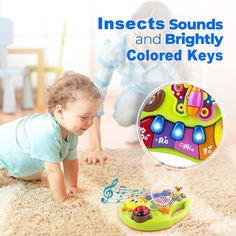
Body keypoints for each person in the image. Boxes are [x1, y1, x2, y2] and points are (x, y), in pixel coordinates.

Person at [87, 1, 189, 164]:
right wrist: (95, 149)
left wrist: (172, 147)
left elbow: (183, 95)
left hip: (164, 94)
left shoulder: (173, 46)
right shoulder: (114, 46)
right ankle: (139, 123)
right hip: (135, 90)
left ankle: (152, 127)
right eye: (140, 36)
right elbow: (95, 95)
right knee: (125, 113)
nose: (145, 46)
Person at [0, 71, 101, 208]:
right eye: (84, 117)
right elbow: (53, 171)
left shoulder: (71, 130)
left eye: (93, 117)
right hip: (4, 155)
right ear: (59, 112)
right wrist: (64, 199)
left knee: (33, 175)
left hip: (20, 160)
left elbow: (70, 160)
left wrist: (72, 185)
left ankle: (15, 171)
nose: (90, 123)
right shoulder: (46, 133)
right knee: (41, 169)